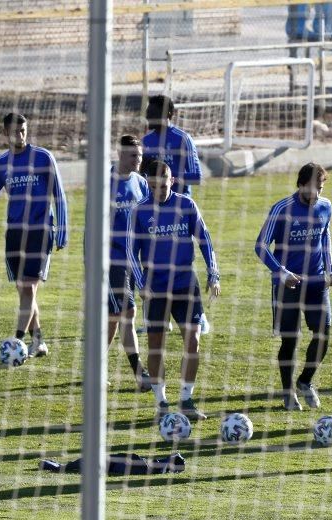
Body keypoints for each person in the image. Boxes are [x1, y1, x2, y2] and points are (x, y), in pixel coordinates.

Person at [0, 113, 67, 358]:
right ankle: (38, 341)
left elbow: (59, 195)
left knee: (30, 289)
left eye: (23, 130)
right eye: (15, 131)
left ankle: (16, 343)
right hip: (15, 234)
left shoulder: (43, 157)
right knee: (24, 291)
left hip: (40, 232)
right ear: (5, 133)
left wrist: (62, 231)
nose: (20, 135)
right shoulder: (1, 164)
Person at [127, 159, 220, 421]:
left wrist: (213, 274)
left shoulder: (186, 205)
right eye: (155, 185)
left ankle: (187, 399)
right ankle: (161, 403)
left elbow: (205, 240)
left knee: (193, 342)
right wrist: (141, 283)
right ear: (149, 184)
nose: (161, 189)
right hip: (156, 289)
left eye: (164, 183)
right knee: (156, 347)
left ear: (173, 180)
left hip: (185, 284)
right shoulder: (140, 212)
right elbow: (130, 252)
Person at [255, 163, 332, 411]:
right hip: (287, 286)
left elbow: (324, 236)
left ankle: (305, 381)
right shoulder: (282, 209)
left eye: (320, 189)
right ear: (300, 185)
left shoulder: (325, 206)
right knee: (290, 340)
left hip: (316, 282)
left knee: (324, 333)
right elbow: (260, 246)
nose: (316, 195)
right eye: (313, 189)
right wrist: (282, 272)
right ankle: (288, 393)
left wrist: (330, 268)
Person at [142, 95, 212, 334]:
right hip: (154, 209)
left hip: (180, 209)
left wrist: (169, 182)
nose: (148, 116)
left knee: (183, 261)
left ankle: (197, 315)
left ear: (168, 115)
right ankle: (158, 315)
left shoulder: (182, 139)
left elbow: (197, 176)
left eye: (153, 111)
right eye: (148, 111)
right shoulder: (146, 140)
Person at [108, 135, 152, 391]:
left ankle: (94, 367)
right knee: (128, 314)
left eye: (141, 156)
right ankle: (139, 373)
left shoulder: (141, 183)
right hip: (113, 261)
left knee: (114, 320)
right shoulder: (106, 183)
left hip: (136, 262)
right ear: (121, 154)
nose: (139, 161)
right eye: (134, 156)